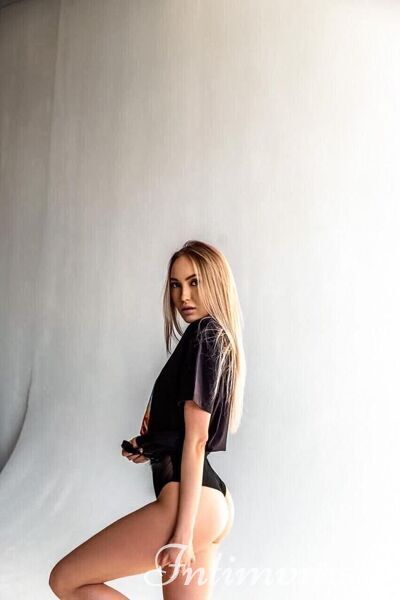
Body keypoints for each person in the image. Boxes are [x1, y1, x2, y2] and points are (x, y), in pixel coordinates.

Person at [49, 240, 246, 599]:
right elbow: (186, 435)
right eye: (175, 285)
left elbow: (197, 441)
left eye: (194, 282)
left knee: (66, 580)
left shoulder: (205, 335)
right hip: (211, 503)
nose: (183, 295)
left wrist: (183, 535)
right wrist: (152, 446)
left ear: (216, 282)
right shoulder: (215, 338)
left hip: (190, 505)